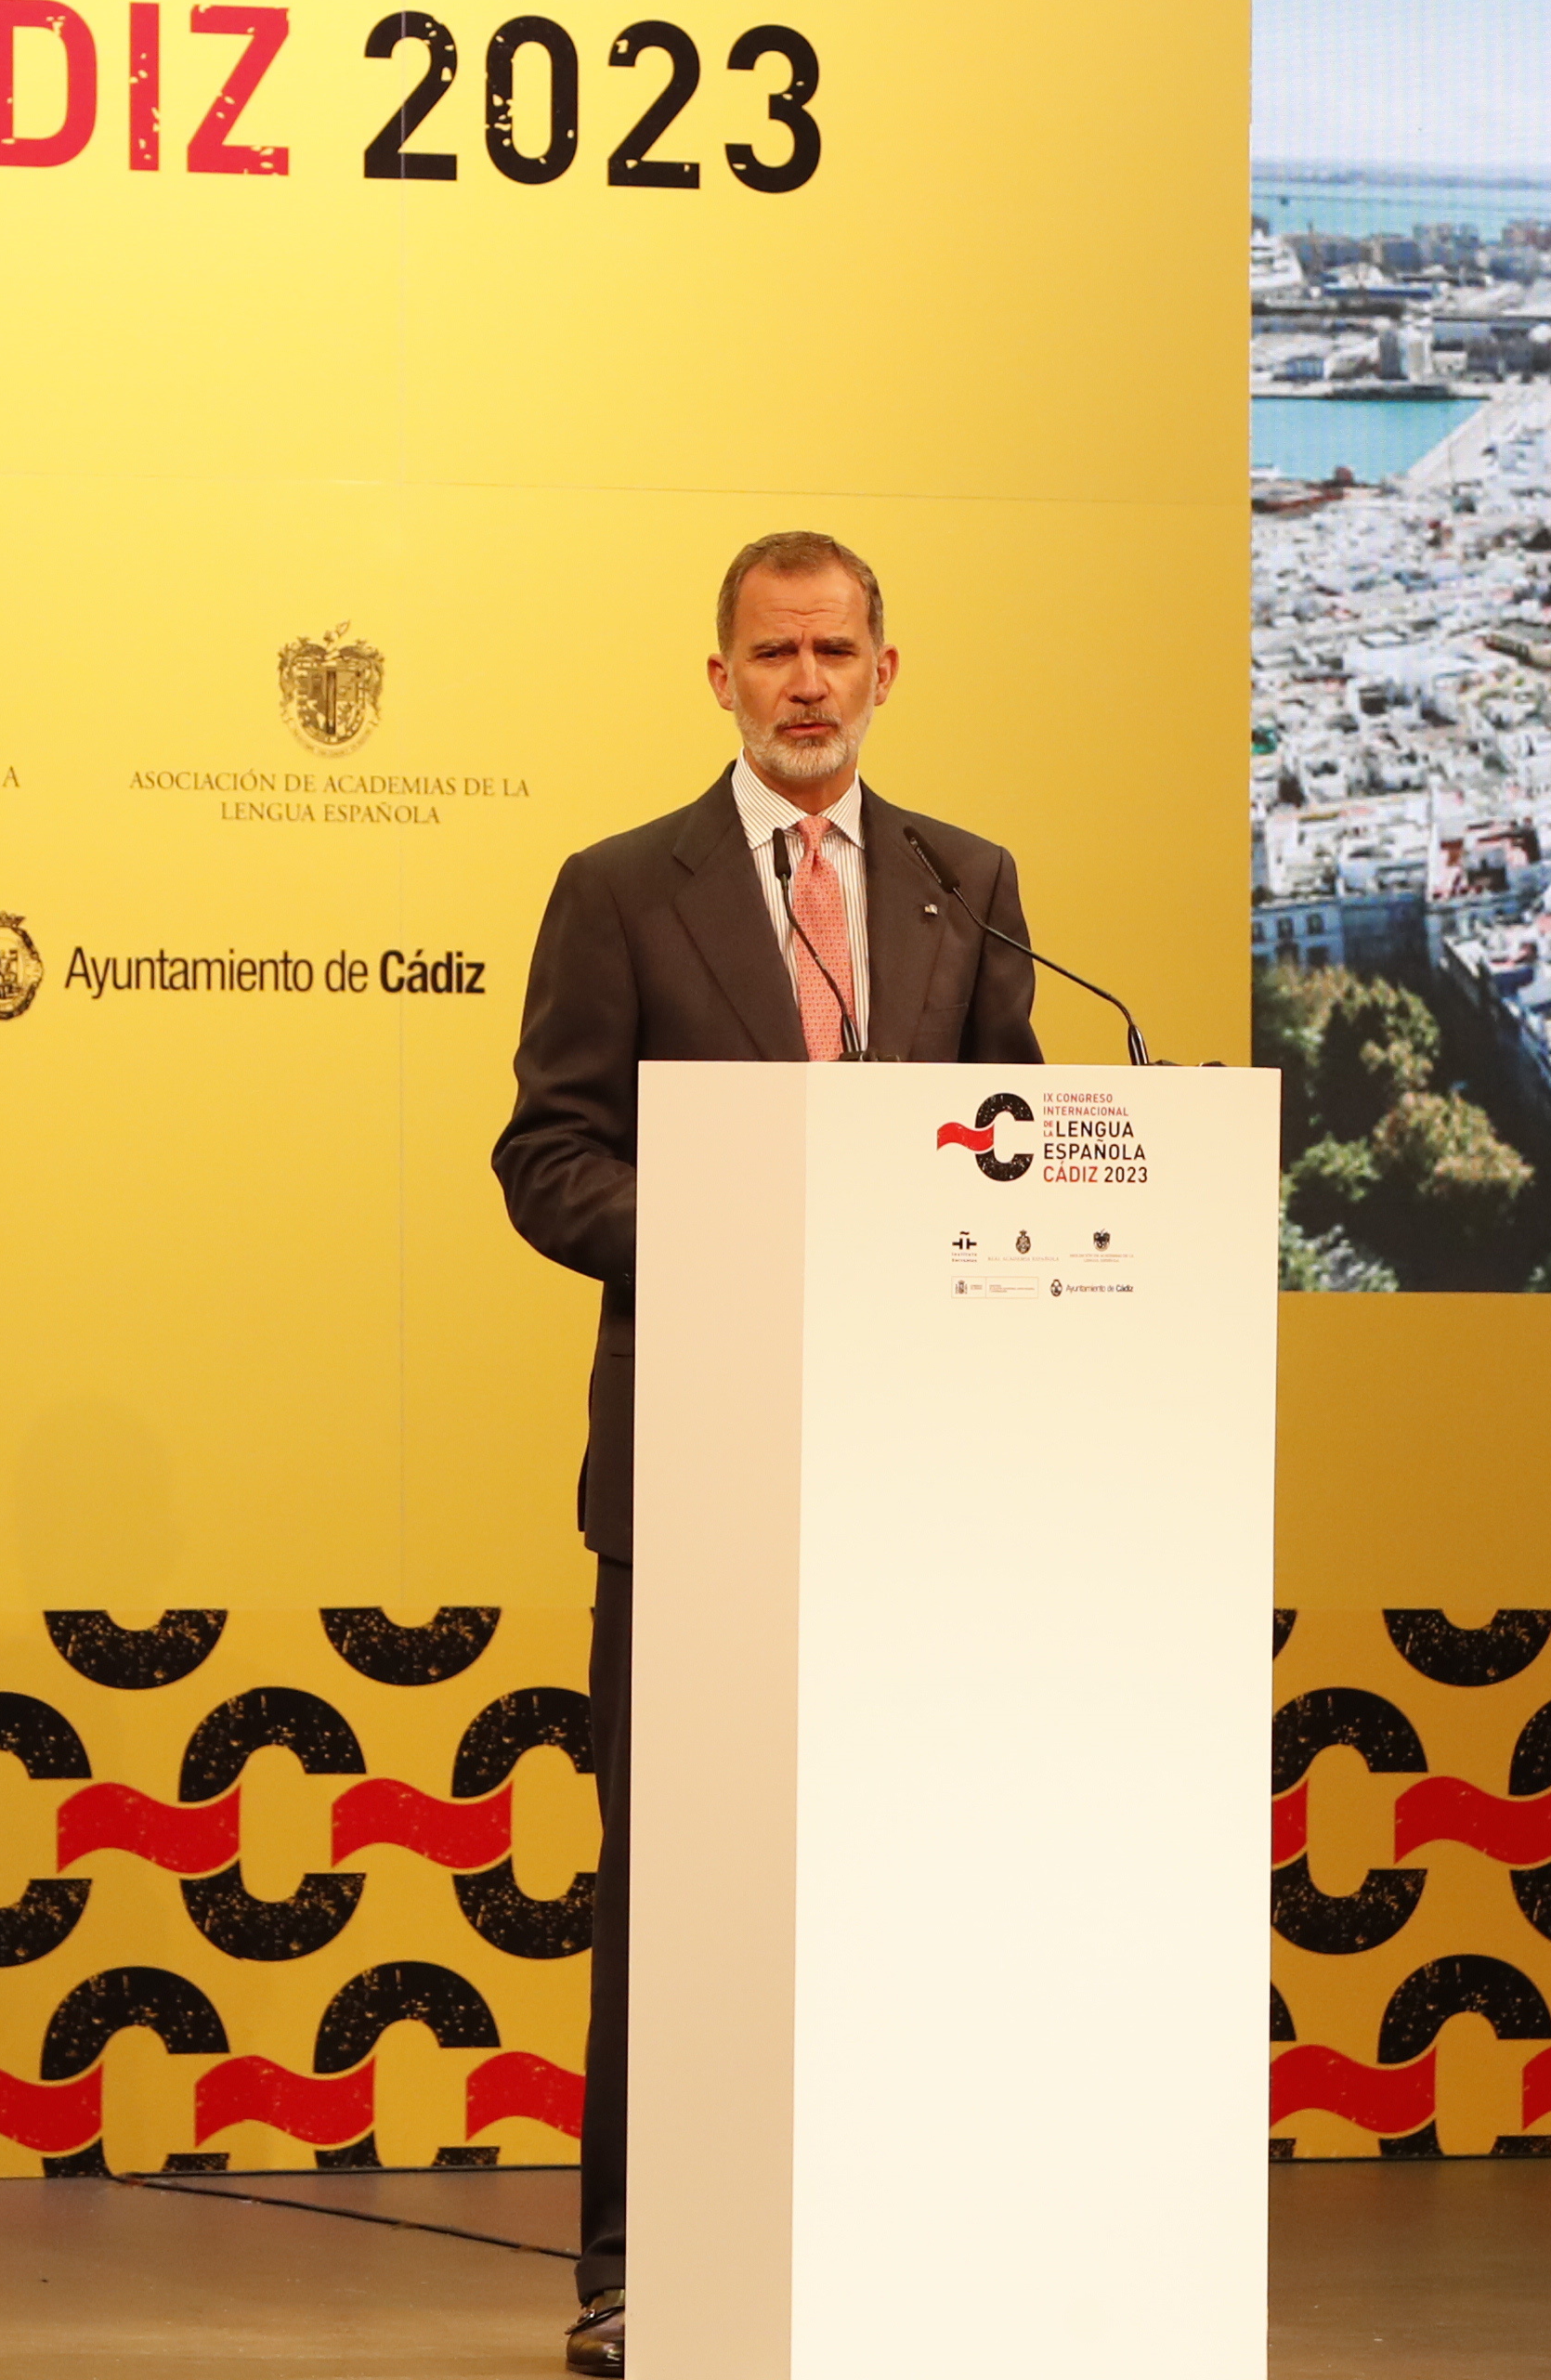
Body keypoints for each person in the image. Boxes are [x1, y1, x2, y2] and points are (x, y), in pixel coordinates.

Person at [490, 530, 1043, 2378]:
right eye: (769, 653)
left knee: (900, 1872)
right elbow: (546, 1157)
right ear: (717, 678)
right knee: (674, 1887)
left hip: (911, 1475)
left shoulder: (970, 886)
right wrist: (730, 1224)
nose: (804, 681)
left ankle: (894, 2239)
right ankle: (639, 2268)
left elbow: (1015, 1136)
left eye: (833, 649)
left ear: (887, 668)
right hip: (693, 1466)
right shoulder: (616, 889)